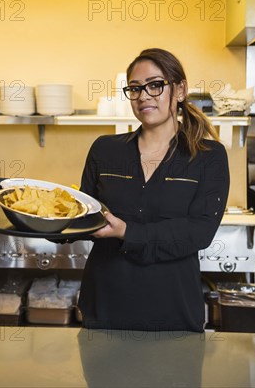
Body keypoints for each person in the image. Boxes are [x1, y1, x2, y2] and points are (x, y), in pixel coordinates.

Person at [78, 48, 230, 332]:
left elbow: (199, 232)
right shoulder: (104, 149)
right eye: (135, 88)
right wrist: (36, 218)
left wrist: (127, 231)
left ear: (180, 89)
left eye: (155, 85)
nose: (144, 96)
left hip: (173, 311)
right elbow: (82, 215)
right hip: (105, 306)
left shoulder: (208, 156)